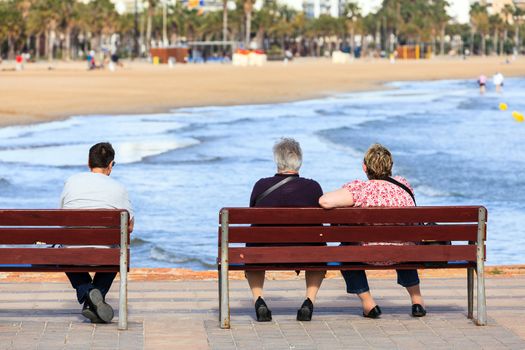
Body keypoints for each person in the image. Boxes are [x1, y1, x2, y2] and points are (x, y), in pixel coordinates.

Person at [319, 143, 426, 319]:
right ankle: (417, 301)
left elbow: (324, 201)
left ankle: (369, 304)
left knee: (345, 250)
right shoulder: (403, 185)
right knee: (402, 242)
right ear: (390, 167)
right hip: (404, 254)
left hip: (367, 254)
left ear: (364, 167)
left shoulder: (360, 189)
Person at [247, 138, 325, 322]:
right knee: (319, 248)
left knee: (253, 245)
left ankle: (259, 300)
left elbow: (252, 215)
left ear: (277, 160)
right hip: (307, 253)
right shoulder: (313, 187)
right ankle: (309, 301)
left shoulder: (261, 185)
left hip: (264, 253)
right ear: (299, 160)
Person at [60, 142, 134, 323]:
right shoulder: (119, 188)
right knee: (119, 251)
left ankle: (88, 294)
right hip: (104, 254)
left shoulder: (71, 182)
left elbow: (62, 216)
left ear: (88, 162)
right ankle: (94, 297)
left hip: (72, 252)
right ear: (110, 165)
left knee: (64, 250)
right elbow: (129, 227)